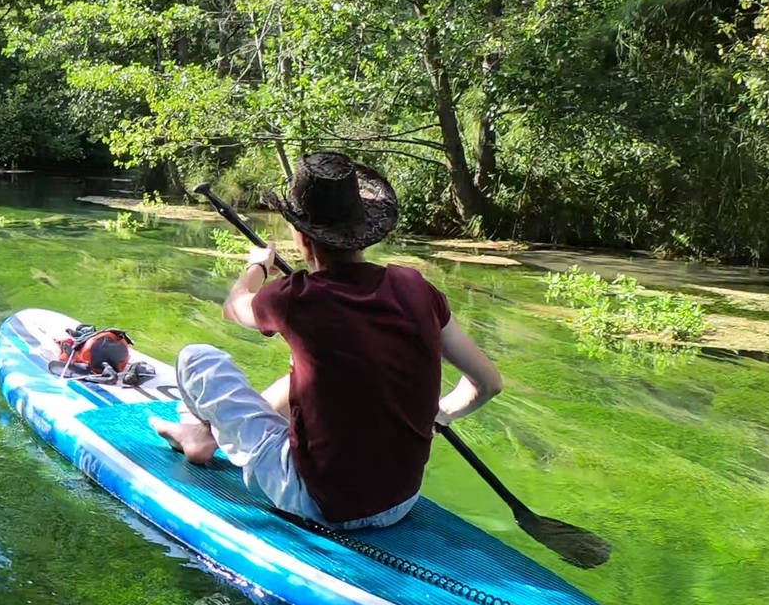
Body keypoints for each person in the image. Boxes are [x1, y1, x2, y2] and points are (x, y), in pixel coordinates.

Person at [151, 153, 504, 530]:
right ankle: (205, 435)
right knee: (311, 373)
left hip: (317, 501)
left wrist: (256, 266)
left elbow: (234, 307)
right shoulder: (418, 288)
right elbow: (488, 384)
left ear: (302, 238)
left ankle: (199, 439)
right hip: (402, 499)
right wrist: (440, 412)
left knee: (197, 358)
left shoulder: (295, 297)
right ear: (363, 229)